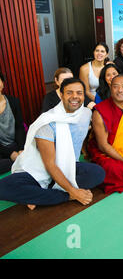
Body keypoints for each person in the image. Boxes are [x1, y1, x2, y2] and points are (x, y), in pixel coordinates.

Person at [0, 78, 105, 209]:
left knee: (98, 173)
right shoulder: (47, 122)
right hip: (41, 168)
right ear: (61, 95)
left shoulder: (85, 113)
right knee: (3, 187)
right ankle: (64, 195)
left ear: (84, 95)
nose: (75, 97)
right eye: (69, 93)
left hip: (68, 164)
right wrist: (73, 193)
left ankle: (41, 194)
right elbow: (50, 164)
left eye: (79, 93)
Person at [0, 72, 26, 174]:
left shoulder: (13, 101)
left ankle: (20, 159)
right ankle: (17, 162)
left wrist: (21, 149)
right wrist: (11, 154)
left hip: (15, 144)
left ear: (2, 83)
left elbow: (19, 127)